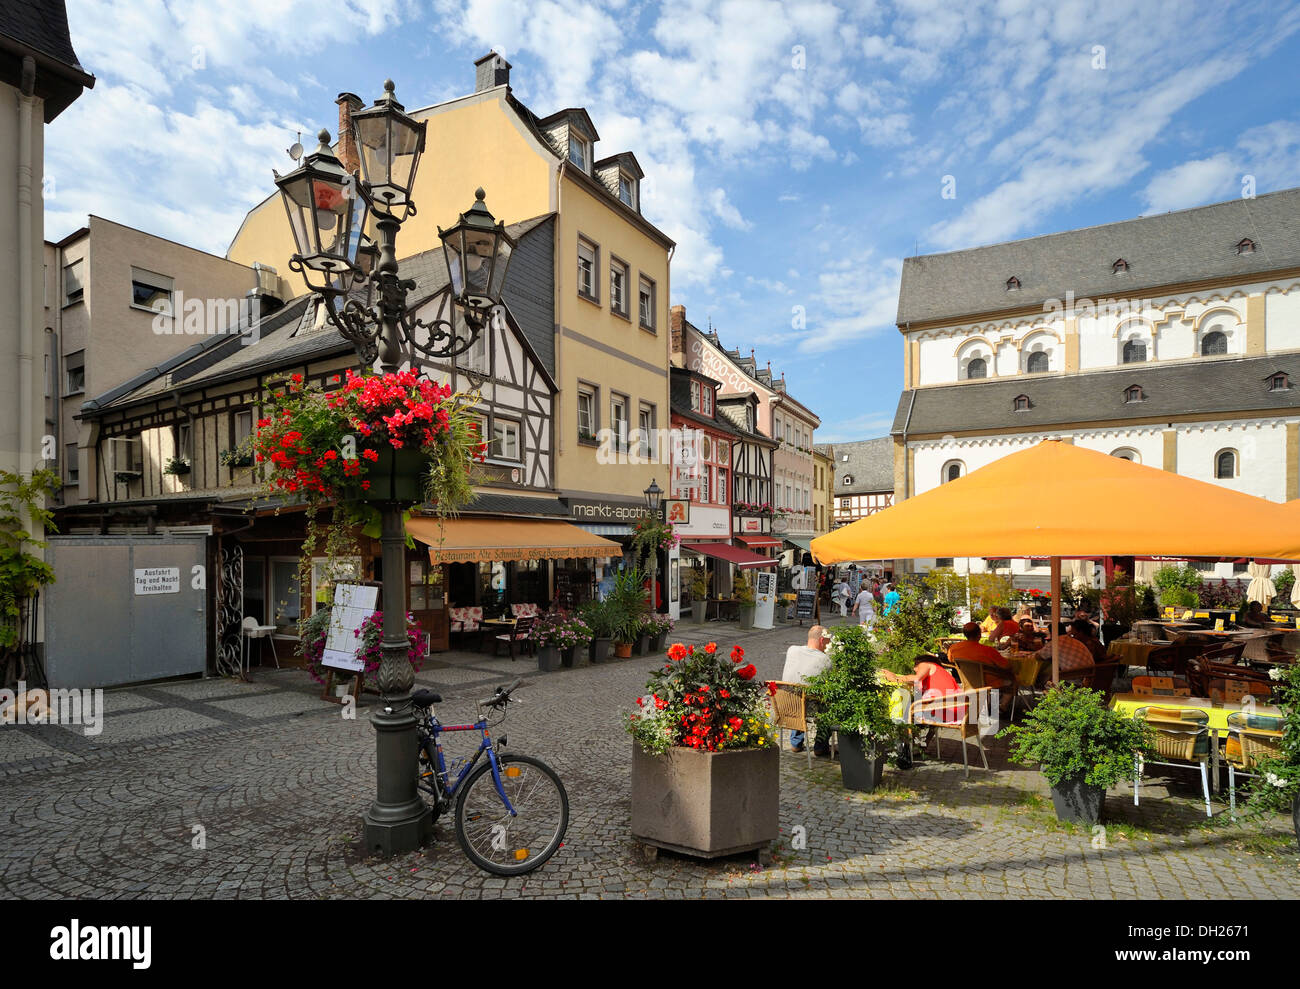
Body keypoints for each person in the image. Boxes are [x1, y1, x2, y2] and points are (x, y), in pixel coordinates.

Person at [781, 625, 833, 754]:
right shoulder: (826, 659)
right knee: (830, 702)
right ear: (822, 640)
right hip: (810, 709)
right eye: (829, 640)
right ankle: (821, 746)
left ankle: (796, 743)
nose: (830, 644)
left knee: (798, 691)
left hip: (787, 705)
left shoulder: (791, 650)